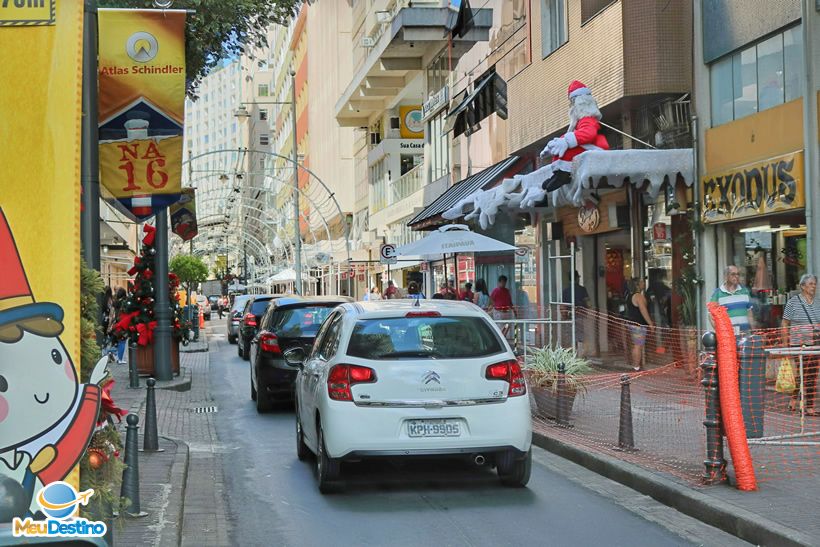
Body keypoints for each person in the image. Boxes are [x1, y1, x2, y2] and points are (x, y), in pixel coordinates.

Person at [540, 80, 610, 192]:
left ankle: (563, 175)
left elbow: (589, 134)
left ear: (580, 103)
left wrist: (567, 142)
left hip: (595, 147)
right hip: (588, 146)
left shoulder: (587, 120)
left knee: (568, 152)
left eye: (572, 103)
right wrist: (552, 146)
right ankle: (560, 174)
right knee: (564, 150)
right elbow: (572, 135)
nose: (570, 107)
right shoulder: (580, 122)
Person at [782, 274, 820, 414]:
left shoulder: (818, 303)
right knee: (803, 373)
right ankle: (797, 400)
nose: (813, 286)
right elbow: (785, 323)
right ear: (802, 286)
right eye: (810, 284)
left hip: (815, 343)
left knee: (812, 373)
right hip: (799, 344)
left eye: (814, 284)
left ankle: (808, 405)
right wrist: (785, 345)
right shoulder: (793, 302)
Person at [709, 265, 755, 335]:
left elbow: (749, 313)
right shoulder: (717, 294)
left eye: (738, 274)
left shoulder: (745, 291)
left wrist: (753, 330)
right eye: (733, 274)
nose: (736, 276)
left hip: (745, 335)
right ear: (726, 276)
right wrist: (722, 333)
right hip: (728, 337)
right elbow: (711, 316)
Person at [625, 277, 654, 371]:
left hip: (632, 323)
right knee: (638, 346)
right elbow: (643, 310)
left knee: (637, 345)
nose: (644, 283)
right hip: (638, 325)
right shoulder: (638, 296)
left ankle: (637, 365)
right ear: (637, 285)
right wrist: (650, 323)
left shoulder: (629, 295)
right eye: (642, 282)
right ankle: (636, 367)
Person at [562, 271, 590, 355]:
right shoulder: (582, 289)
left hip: (569, 318)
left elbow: (563, 306)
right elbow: (589, 304)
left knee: (572, 339)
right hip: (580, 317)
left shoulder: (565, 291)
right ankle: (583, 357)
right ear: (577, 278)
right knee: (584, 339)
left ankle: (574, 357)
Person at [490, 275, 516, 339]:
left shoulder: (507, 291)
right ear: (499, 282)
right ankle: (500, 338)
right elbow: (491, 300)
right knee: (499, 326)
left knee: (507, 325)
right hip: (498, 312)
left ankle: (503, 337)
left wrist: (514, 310)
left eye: (504, 282)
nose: (503, 284)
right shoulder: (495, 290)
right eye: (502, 282)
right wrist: (494, 306)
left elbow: (510, 302)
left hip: (506, 312)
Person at [112, 287, 128, 364]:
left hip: (117, 323)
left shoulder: (116, 302)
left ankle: (116, 356)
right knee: (122, 341)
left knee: (119, 341)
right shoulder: (124, 303)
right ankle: (120, 359)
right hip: (123, 323)